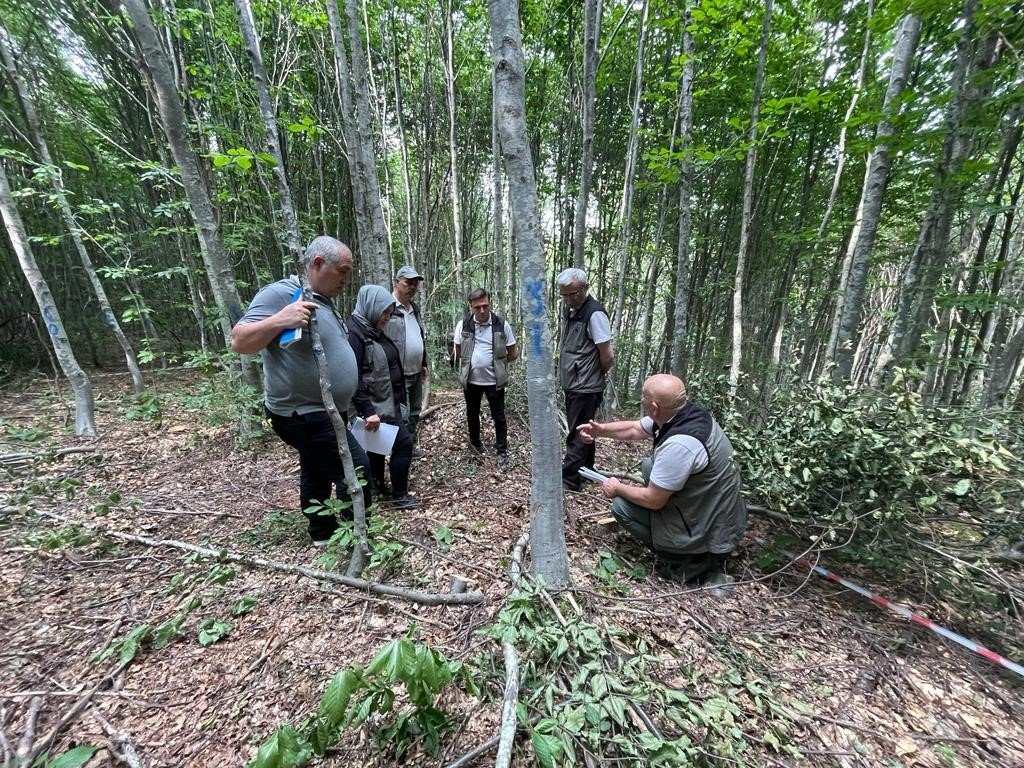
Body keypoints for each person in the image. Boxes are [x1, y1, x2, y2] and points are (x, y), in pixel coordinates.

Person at [231, 236, 372, 545]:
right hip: (302, 412)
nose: (346, 280)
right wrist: (282, 318)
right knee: (357, 469)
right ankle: (356, 539)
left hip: (320, 410)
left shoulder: (322, 299)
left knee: (317, 467)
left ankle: (322, 533)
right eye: (343, 271)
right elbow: (240, 341)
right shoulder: (281, 293)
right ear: (318, 263)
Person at [578, 374, 747, 584]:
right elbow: (635, 428)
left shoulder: (679, 445)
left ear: (655, 407)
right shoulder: (684, 414)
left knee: (621, 507)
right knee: (649, 466)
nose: (641, 400)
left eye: (644, 397)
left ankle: (682, 558)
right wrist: (600, 431)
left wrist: (618, 487)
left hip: (709, 530)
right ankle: (686, 545)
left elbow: (653, 500)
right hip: (712, 508)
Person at [347, 285, 420, 510]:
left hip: (387, 402)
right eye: (385, 313)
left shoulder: (370, 329)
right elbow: (353, 377)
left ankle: (377, 486)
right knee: (404, 445)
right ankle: (399, 496)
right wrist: (367, 410)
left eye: (389, 313)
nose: (387, 318)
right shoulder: (355, 334)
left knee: (377, 447)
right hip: (374, 405)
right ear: (372, 308)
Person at [557, 267, 614, 491]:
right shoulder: (571, 310)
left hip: (585, 385)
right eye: (564, 295)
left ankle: (569, 480)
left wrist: (595, 375)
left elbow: (607, 354)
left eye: (574, 294)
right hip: (575, 382)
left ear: (586, 287)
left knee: (577, 433)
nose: (569, 299)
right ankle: (587, 471)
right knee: (586, 430)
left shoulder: (594, 314)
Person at [453, 288, 519, 470]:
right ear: (470, 306)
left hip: (494, 381)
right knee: (472, 414)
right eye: (477, 307)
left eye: (485, 306)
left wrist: (497, 363)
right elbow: (457, 351)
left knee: (499, 416)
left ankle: (502, 452)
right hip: (471, 381)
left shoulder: (501, 325)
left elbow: (513, 353)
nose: (482, 311)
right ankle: (475, 446)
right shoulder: (463, 325)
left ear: (490, 303)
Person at [383, 266, 427, 455]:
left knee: (415, 411)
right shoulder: (387, 307)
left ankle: (409, 447)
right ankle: (400, 450)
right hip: (397, 373)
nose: (412, 287)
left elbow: (419, 336)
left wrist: (423, 362)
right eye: (408, 283)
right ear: (396, 282)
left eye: (415, 284)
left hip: (415, 370)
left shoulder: (414, 309)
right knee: (402, 414)